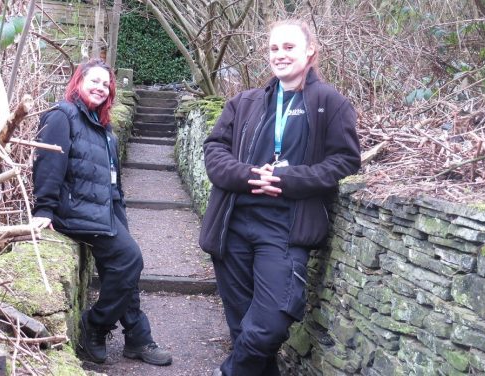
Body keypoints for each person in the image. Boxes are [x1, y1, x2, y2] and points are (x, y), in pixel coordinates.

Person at [200, 20, 361, 376]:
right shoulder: (244, 102)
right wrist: (248, 175)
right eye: (274, 49)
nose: (280, 55)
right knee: (243, 326)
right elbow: (214, 152)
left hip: (285, 229)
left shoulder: (330, 103)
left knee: (269, 324)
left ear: (310, 51)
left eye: (289, 47)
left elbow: (345, 160)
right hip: (234, 224)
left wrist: (288, 179)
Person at [31, 59, 172, 366]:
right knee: (130, 260)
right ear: (78, 82)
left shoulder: (102, 124)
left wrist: (118, 208)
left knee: (123, 270)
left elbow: (108, 175)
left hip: (106, 209)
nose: (100, 87)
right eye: (93, 81)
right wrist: (44, 207)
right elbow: (48, 162)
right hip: (76, 210)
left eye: (105, 83)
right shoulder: (62, 115)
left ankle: (137, 336)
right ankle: (95, 325)